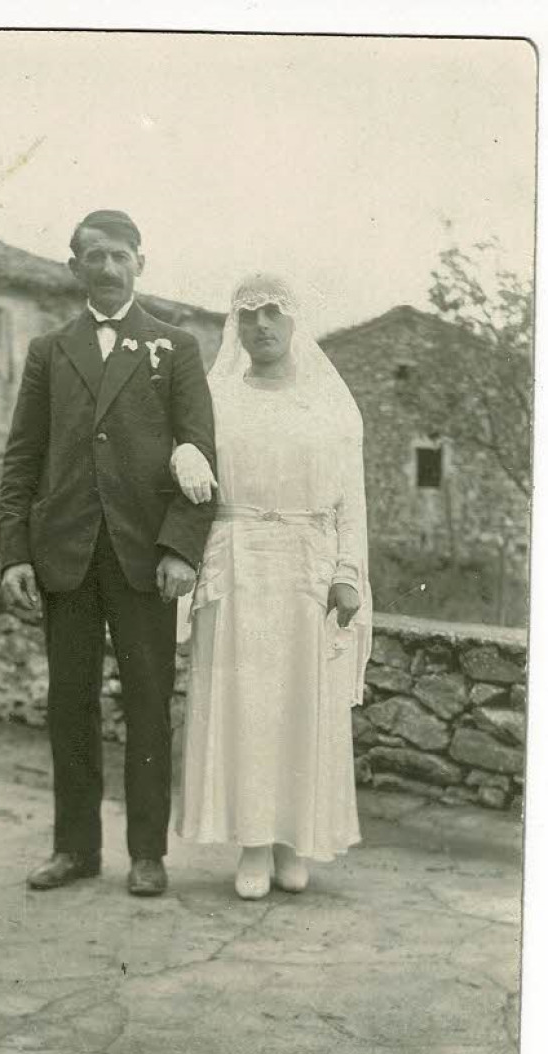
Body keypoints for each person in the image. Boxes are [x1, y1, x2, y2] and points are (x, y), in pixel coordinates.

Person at [0, 210, 217, 896]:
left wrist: (181, 546)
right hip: (64, 553)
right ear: (74, 268)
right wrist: (14, 555)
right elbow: (21, 459)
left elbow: (201, 454)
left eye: (119, 255)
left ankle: (147, 853)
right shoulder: (48, 351)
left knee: (148, 702)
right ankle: (74, 848)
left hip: (142, 557)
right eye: (93, 256)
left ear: (140, 263)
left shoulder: (174, 346)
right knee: (70, 702)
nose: (107, 267)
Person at [172, 272, 372, 900]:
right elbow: (185, 455)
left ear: (293, 321)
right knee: (245, 705)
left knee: (300, 705)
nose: (260, 326)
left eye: (271, 314)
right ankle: (254, 842)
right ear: (235, 325)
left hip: (306, 571)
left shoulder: (328, 406)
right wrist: (185, 454)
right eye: (247, 315)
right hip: (236, 565)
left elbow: (351, 504)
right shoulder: (217, 399)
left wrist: (346, 573)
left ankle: (294, 840)